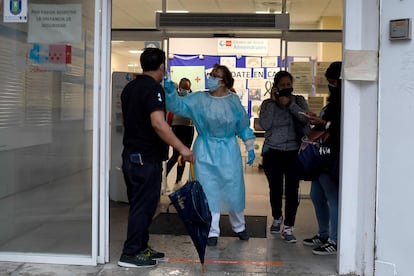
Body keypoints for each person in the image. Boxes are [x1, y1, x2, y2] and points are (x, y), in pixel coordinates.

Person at [118, 48, 195, 268]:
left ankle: (141, 247)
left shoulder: (130, 87)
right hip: (145, 158)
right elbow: (158, 123)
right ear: (162, 66)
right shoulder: (153, 89)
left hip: (132, 156)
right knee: (143, 206)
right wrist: (183, 149)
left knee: (141, 204)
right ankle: (131, 253)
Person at [164, 64, 256, 246]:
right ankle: (212, 230)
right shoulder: (199, 98)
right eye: (211, 74)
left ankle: (239, 226)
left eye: (215, 75)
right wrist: (170, 92)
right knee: (208, 191)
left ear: (224, 81)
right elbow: (179, 106)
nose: (211, 77)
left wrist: (250, 145)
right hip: (205, 149)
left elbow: (243, 125)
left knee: (234, 188)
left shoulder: (233, 101)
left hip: (229, 150)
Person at [258, 70, 310, 243]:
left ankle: (288, 227)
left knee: (292, 191)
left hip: (294, 152)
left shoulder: (299, 101)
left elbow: (305, 121)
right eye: (282, 86)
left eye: (289, 85)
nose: (286, 88)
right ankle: (277, 217)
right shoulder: (267, 104)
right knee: (275, 188)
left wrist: (290, 105)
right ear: (275, 87)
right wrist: (274, 103)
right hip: (273, 152)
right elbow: (265, 125)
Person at [302, 61, 342, 255]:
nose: (331, 86)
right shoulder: (332, 103)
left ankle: (335, 240)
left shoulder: (347, 103)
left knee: (332, 198)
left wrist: (324, 124)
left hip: (331, 158)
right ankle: (323, 234)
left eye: (334, 81)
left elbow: (339, 128)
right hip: (321, 155)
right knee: (316, 196)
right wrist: (316, 121)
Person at [166, 78, 195, 189]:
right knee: (175, 155)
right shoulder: (175, 96)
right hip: (177, 127)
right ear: (180, 88)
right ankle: (163, 177)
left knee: (184, 155)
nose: (185, 90)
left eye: (187, 88)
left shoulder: (192, 98)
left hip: (189, 127)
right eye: (183, 88)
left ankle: (178, 180)